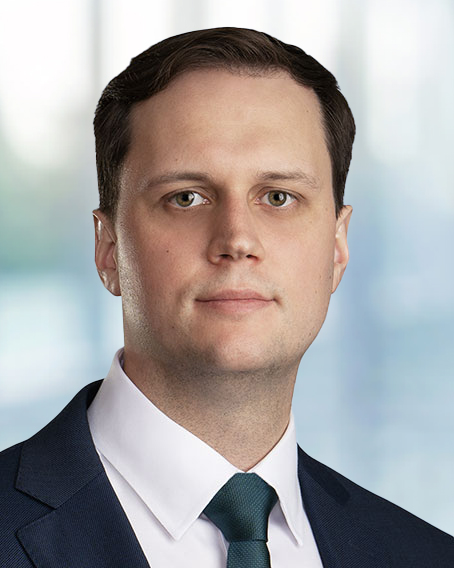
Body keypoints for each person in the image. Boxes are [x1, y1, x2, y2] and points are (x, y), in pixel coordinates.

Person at [0, 27, 452, 568]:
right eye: (186, 198)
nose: (237, 239)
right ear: (109, 248)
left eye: (278, 197)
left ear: (337, 247)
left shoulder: (424, 554)